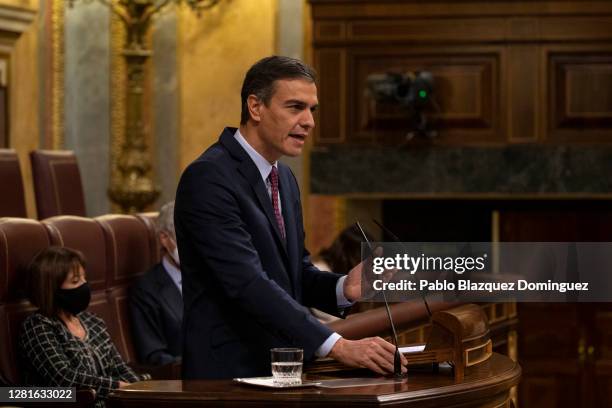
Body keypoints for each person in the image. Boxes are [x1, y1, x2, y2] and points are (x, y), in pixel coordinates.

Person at [175, 55, 406, 379]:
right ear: (255, 107)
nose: (309, 121)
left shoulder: (283, 178)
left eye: (312, 110)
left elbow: (293, 273)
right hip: (228, 376)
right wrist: (337, 345)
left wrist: (343, 288)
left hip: (284, 369)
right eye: (295, 107)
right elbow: (247, 284)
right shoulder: (209, 178)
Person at [19, 247, 144, 408]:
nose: (85, 286)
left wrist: (142, 391)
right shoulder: (37, 326)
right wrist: (117, 387)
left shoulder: (93, 321)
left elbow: (119, 367)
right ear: (52, 288)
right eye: (76, 281)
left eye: (85, 279)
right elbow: (64, 378)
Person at [130, 201, 183, 365]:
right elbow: (154, 356)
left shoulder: (212, 276)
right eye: (185, 236)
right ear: (165, 238)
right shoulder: (146, 290)